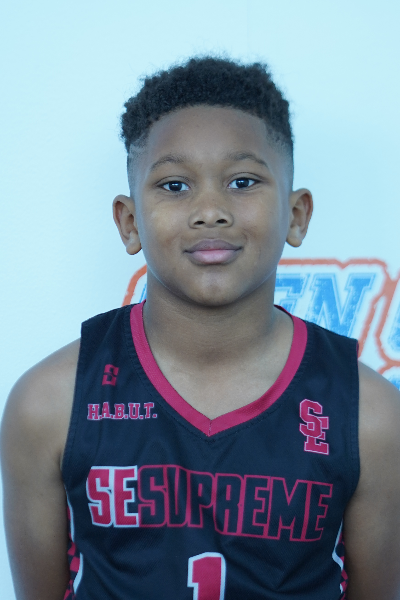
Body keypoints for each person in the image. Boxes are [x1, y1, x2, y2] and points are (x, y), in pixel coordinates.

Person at [1, 57, 400, 600]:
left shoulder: (369, 415)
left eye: (242, 181)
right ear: (129, 222)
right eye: (174, 185)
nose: (210, 210)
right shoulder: (49, 403)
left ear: (297, 214)